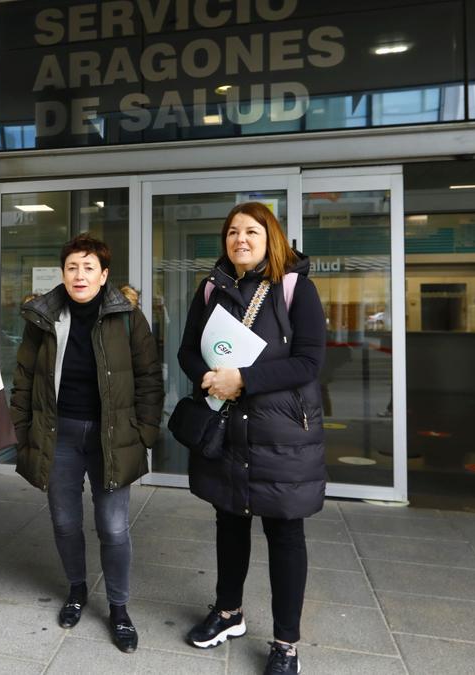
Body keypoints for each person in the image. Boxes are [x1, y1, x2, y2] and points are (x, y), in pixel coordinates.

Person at [178, 202, 327, 675]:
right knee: (229, 520)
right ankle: (228, 613)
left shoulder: (296, 289)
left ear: (271, 238)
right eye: (232, 233)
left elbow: (309, 363)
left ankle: (286, 644)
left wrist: (242, 380)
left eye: (251, 232)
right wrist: (208, 378)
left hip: (281, 433)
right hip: (228, 426)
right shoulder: (210, 289)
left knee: (284, 531)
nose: (240, 240)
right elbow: (186, 351)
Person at [10, 234, 163, 653]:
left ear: (104, 275)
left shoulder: (127, 315)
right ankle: (77, 590)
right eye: (73, 267)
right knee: (64, 522)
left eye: (89, 267)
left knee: (113, 527)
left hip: (111, 437)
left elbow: (149, 378)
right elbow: (24, 378)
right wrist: (22, 431)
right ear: (63, 273)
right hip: (58, 434)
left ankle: (119, 608)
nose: (80, 275)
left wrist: (144, 432)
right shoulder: (43, 317)